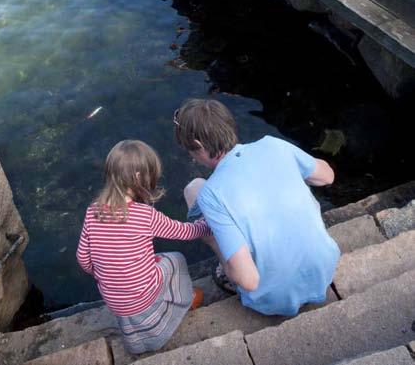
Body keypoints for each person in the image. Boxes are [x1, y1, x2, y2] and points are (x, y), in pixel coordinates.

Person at [174, 99, 341, 317]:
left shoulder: (211, 195)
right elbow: (327, 176)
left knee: (193, 188)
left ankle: (221, 255)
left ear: (198, 146)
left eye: (190, 151)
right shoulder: (274, 145)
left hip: (275, 299)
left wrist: (211, 241)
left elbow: (249, 281)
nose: (191, 156)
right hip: (324, 270)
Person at [76, 140, 209, 354]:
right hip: (143, 293)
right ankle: (188, 300)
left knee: (148, 267)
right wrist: (206, 225)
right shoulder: (144, 215)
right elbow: (184, 232)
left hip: (112, 298)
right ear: (139, 178)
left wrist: (104, 273)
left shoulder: (92, 211)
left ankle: (135, 339)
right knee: (175, 259)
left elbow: (83, 258)